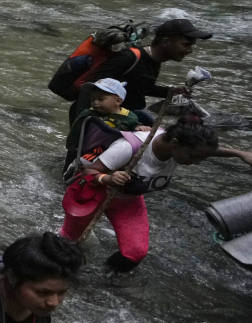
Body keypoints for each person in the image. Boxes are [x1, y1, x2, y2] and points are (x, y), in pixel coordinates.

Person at [61, 115, 252, 273]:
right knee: (70, 243)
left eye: (201, 157)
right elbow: (88, 172)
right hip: (93, 194)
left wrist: (240, 154)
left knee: (134, 253)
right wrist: (108, 179)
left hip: (128, 201)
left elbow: (208, 151)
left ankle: (104, 278)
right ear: (175, 143)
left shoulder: (186, 147)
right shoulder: (130, 147)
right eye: (193, 157)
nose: (196, 162)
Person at [68, 17, 211, 125]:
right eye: (186, 45)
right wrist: (82, 126)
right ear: (166, 42)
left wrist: (170, 92)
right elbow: (89, 86)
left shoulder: (154, 61)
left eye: (192, 46)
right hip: (100, 119)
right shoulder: (129, 58)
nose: (189, 50)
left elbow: (140, 87)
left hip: (125, 116)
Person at [63, 77, 148, 169]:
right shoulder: (88, 114)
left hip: (115, 152)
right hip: (91, 150)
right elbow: (75, 131)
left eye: (100, 99)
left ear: (118, 101)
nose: (95, 103)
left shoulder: (129, 117)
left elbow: (135, 131)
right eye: (93, 99)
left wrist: (139, 127)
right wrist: (71, 147)